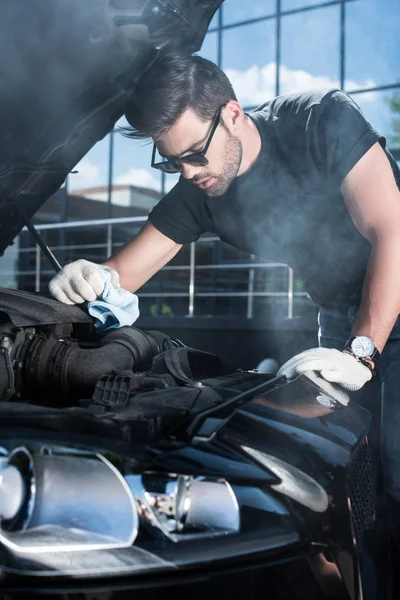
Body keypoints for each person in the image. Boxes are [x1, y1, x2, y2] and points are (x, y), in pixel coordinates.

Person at [49, 54, 400, 521]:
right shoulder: (202, 190)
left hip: (385, 292)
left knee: (396, 465)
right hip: (340, 316)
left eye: (194, 153)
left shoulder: (319, 118)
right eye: (172, 163)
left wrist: (360, 353)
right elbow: (121, 273)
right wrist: (91, 277)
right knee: (337, 460)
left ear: (233, 113)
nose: (189, 173)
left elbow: (390, 230)